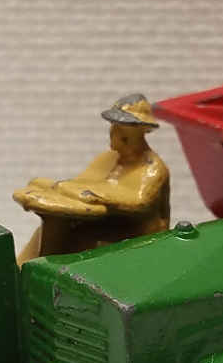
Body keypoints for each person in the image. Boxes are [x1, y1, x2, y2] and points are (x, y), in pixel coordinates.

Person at [13, 94, 170, 264]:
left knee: (76, 239)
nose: (115, 140)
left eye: (124, 136)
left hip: (135, 236)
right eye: (115, 131)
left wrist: (97, 196)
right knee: (48, 232)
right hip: (104, 223)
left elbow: (139, 202)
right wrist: (55, 186)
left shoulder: (152, 168)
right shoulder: (108, 159)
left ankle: (46, 271)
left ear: (141, 134)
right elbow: (82, 182)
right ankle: (21, 270)